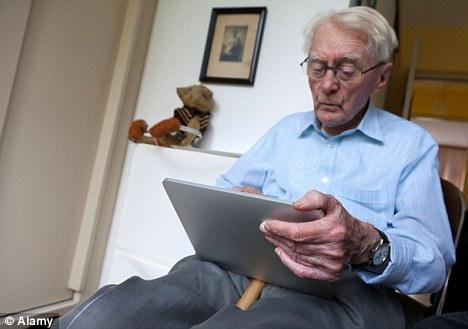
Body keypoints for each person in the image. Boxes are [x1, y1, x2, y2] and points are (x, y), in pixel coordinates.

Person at [53, 6, 455, 329]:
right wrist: (237, 201)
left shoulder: (410, 145)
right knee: (113, 313)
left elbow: (433, 266)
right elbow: (226, 190)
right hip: (242, 268)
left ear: (381, 77)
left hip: (339, 291)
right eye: (317, 67)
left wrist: (364, 243)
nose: (327, 84)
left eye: (346, 70)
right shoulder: (285, 130)